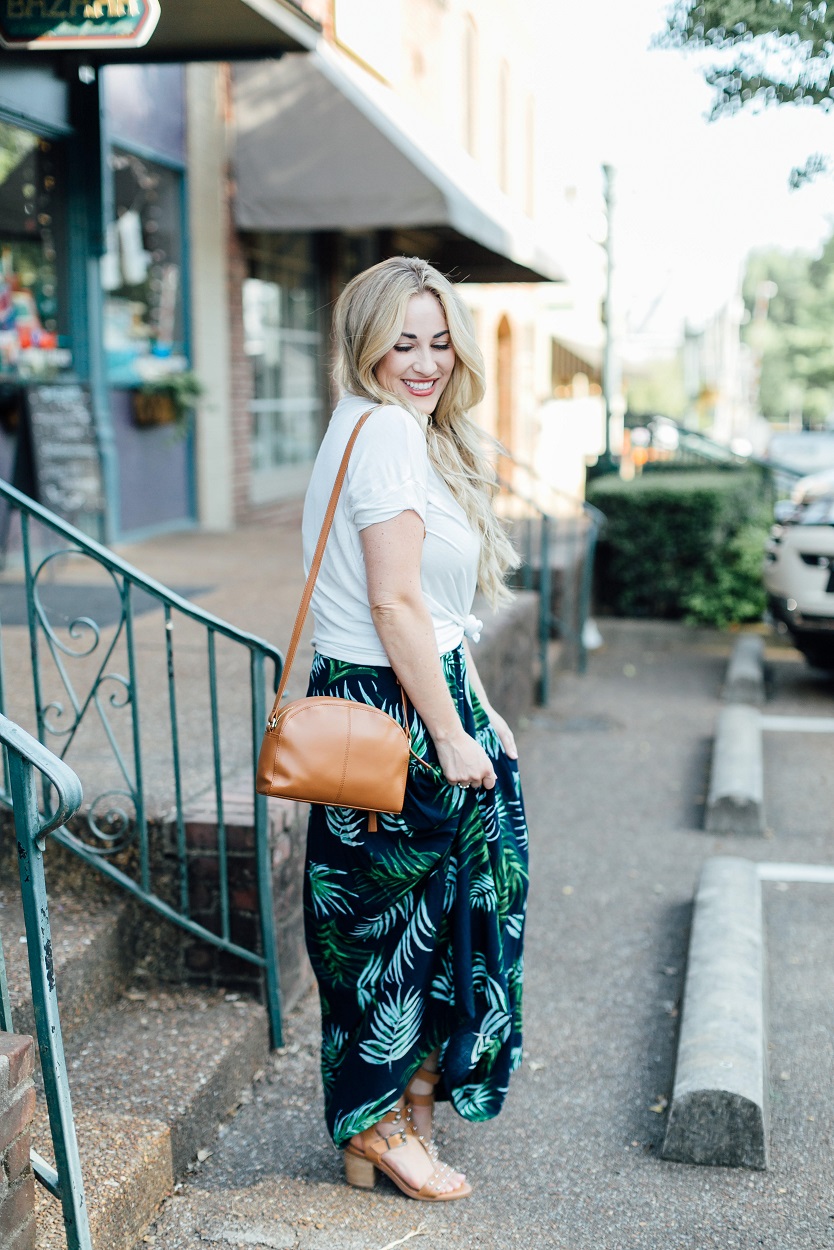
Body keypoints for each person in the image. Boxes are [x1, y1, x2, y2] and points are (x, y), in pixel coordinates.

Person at [301, 256, 529, 1202]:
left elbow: (432, 612)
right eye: (403, 342)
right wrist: (451, 731)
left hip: (423, 694)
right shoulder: (387, 432)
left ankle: (406, 1112)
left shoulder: (385, 431)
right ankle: (381, 1125)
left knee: (445, 919)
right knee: (393, 929)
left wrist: (482, 705)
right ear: (365, 344)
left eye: (440, 341)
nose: (426, 361)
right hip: (393, 711)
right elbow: (393, 604)